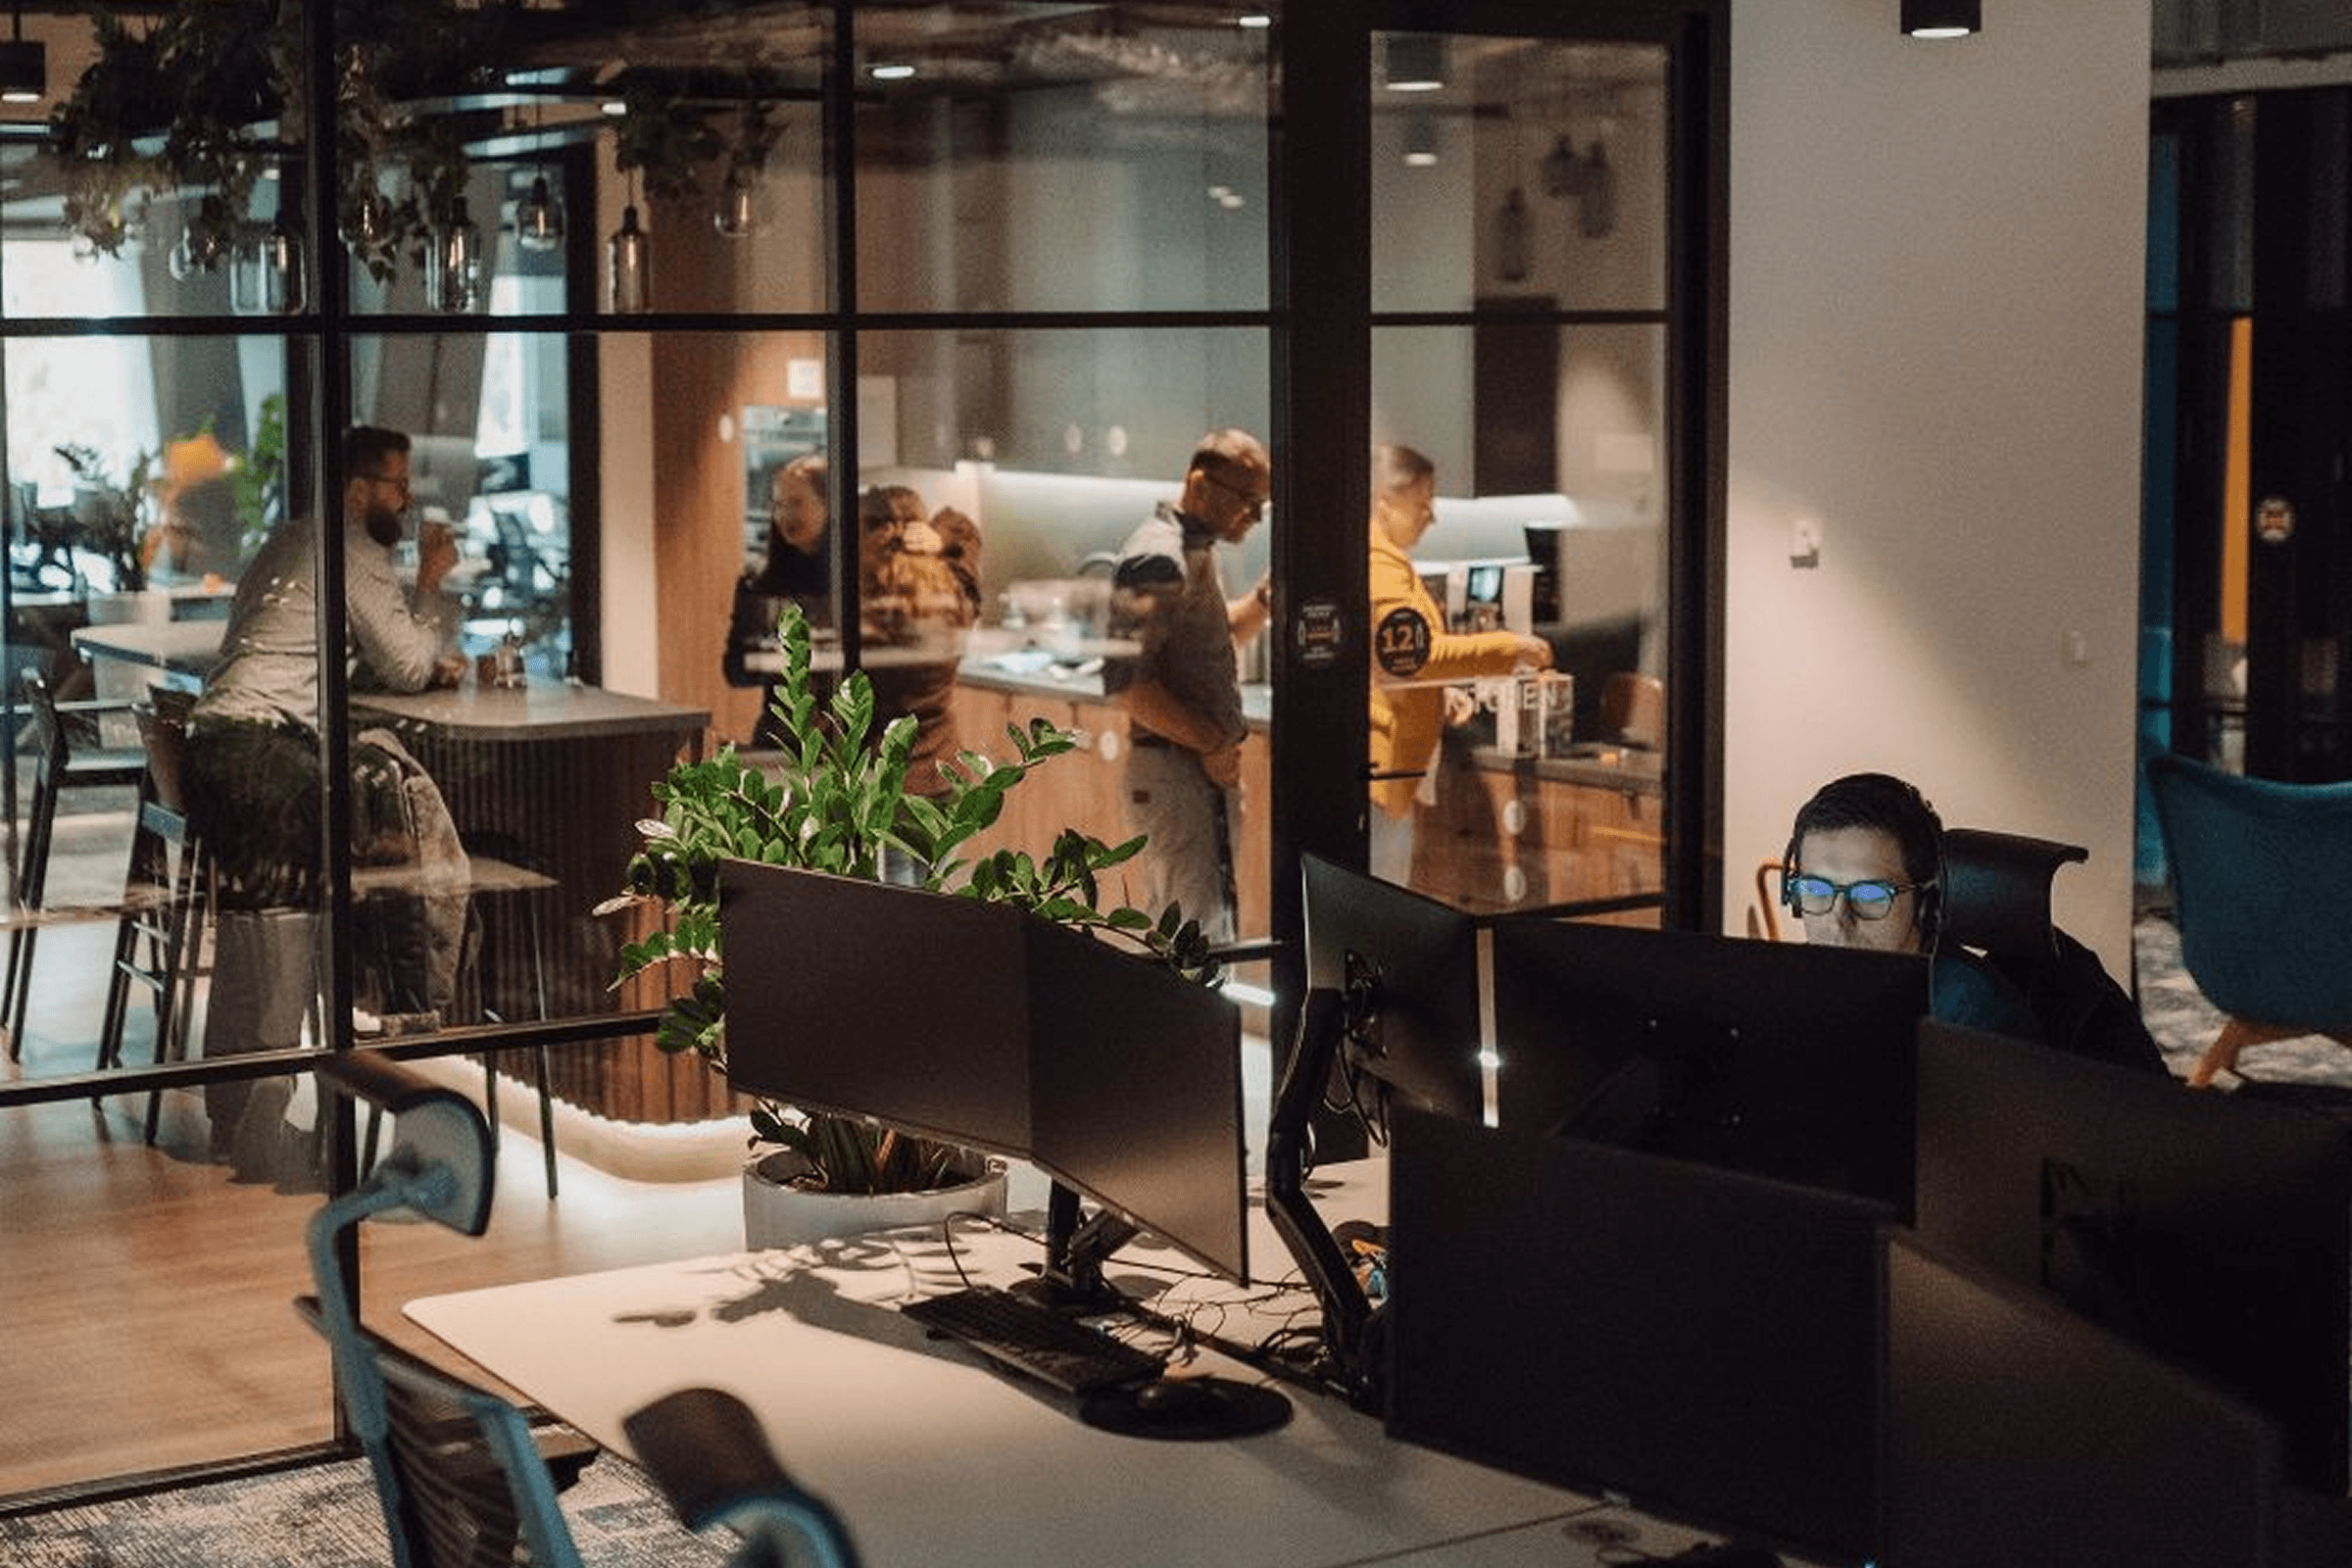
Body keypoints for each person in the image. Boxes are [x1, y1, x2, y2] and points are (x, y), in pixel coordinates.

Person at [183, 424, 469, 1165]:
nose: (407, 502)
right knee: (280, 946)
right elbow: (407, 666)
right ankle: (259, 1133)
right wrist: (431, 584)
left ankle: (233, 1117)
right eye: (397, 485)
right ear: (357, 490)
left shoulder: (292, 539)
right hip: (265, 755)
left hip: (216, 744)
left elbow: (343, 657)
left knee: (250, 943)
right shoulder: (354, 550)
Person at [1102, 428, 1275, 945]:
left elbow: (1212, 641)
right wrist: (1213, 742)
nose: (1255, 517)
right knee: (1192, 945)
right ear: (1199, 483)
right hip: (1176, 772)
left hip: (1192, 774)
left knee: (1199, 934)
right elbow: (1127, 685)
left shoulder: (1192, 549)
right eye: (1248, 501)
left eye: (1261, 504)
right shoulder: (1160, 557)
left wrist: (1263, 601)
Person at [1365, 442, 1553, 884]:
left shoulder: (1387, 564)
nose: (1431, 516)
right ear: (1384, 504)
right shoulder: (1381, 566)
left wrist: (1437, 693)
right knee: (1381, 911)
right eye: (1422, 505)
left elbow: (1391, 665)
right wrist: (1511, 648)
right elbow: (1416, 656)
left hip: (1388, 770)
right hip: (1384, 768)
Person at [1780, 771, 2047, 1044]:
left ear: (1925, 902)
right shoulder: (1787, 985)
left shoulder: (1974, 1021)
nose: (1837, 922)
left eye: (1870, 894)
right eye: (1815, 889)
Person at [857, 483, 984, 805]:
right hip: (946, 773)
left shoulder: (867, 619)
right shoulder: (956, 598)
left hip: (888, 786)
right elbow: (964, 531)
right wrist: (938, 540)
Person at [724, 453, 832, 747]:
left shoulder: (855, 577)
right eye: (779, 504)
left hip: (845, 745)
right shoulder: (758, 580)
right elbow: (736, 670)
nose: (784, 515)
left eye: (797, 503)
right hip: (779, 740)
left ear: (829, 506)